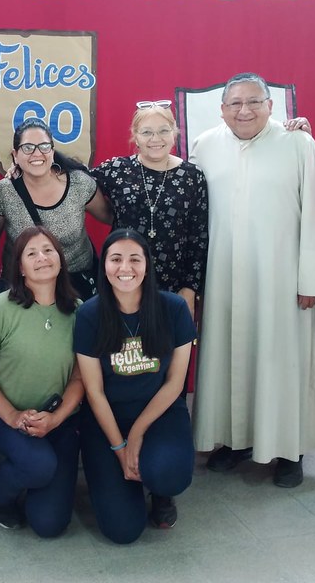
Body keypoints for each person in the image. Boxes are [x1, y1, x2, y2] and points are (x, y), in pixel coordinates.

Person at [190, 72, 315, 488]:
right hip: (223, 277)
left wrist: (312, 280)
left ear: (271, 106)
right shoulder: (205, 145)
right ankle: (235, 441)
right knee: (229, 360)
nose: (245, 110)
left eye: (254, 101)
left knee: (283, 362)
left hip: (282, 279)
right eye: (235, 103)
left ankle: (290, 451)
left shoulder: (297, 143)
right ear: (222, 109)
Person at [75, 229, 195, 544]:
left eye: (134, 259)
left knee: (169, 474)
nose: (125, 268)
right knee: (123, 530)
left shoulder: (174, 309)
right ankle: (126, 479)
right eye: (115, 259)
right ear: (104, 266)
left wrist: (138, 432)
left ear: (147, 265)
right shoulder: (89, 314)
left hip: (159, 415)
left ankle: (160, 489)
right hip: (107, 421)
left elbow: (175, 383)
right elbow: (94, 392)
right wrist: (120, 449)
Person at [0, 226, 83, 537]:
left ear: (60, 259)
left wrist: (56, 418)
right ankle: (1, 489)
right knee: (39, 466)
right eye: (31, 253)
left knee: (49, 525)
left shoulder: (78, 312)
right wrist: (13, 416)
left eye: (48, 250)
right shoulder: (0, 309)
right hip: (5, 414)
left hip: (59, 418)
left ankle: (35, 476)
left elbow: (79, 377)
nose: (42, 258)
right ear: (20, 267)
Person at [92, 100, 208, 317]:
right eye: (147, 132)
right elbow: (76, 182)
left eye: (163, 131)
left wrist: (190, 288)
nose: (156, 139)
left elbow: (198, 237)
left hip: (173, 285)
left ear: (174, 133)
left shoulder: (192, 176)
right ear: (135, 136)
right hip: (123, 278)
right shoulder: (117, 169)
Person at [0, 117, 109, 300]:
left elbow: (111, 217)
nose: (37, 153)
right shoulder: (4, 191)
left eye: (44, 146)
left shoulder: (78, 183)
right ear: (15, 155)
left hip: (77, 286)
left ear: (52, 151)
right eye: (28, 147)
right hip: (24, 290)